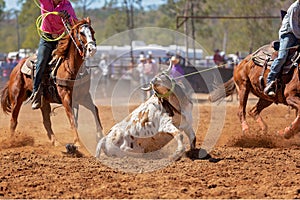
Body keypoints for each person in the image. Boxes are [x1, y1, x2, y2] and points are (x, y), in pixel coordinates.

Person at [31, 0, 77, 109]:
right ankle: (36, 92)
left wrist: (67, 18)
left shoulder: (67, 5)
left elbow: (74, 22)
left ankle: (71, 90)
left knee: (70, 62)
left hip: (60, 39)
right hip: (46, 39)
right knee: (41, 62)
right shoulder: (45, 1)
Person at [264, 0, 300, 97]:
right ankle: (270, 80)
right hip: (288, 34)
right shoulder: (295, 7)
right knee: (282, 56)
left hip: (297, 35)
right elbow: (294, 26)